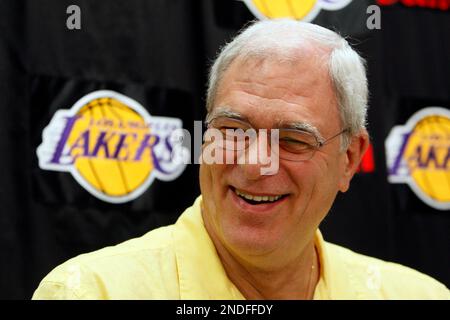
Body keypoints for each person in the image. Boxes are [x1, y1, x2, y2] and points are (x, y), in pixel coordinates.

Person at [33, 19, 449, 300]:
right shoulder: (90, 292)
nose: (254, 164)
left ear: (350, 159)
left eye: (292, 139)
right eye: (232, 131)